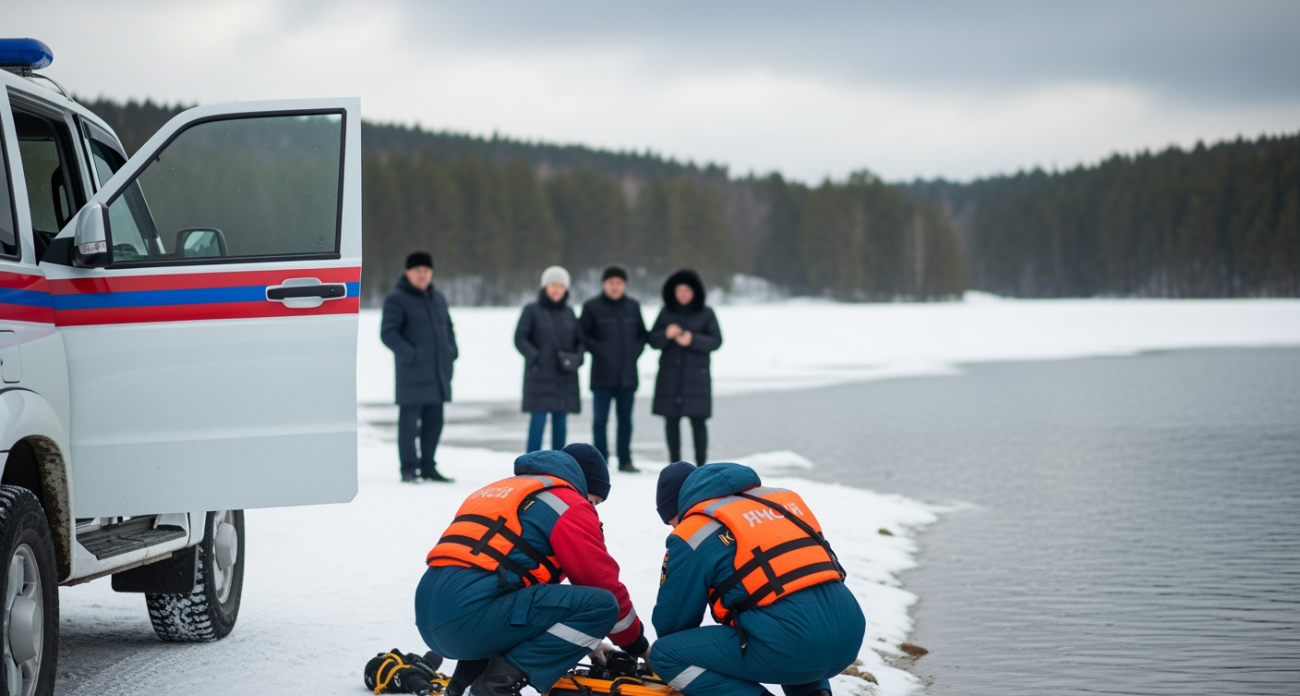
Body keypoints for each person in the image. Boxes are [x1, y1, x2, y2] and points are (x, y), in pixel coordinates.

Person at [416, 445, 650, 696]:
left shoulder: (505, 490)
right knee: (601, 604)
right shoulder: (567, 503)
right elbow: (601, 582)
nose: (593, 508)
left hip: (432, 617)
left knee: (500, 589)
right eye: (595, 501)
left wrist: (583, 640)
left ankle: (461, 687)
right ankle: (495, 688)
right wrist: (639, 647)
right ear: (583, 485)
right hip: (469, 621)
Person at [648, 461, 865, 696]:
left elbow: (672, 624)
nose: (674, 528)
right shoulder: (780, 502)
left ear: (682, 506)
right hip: (850, 634)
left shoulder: (693, 531)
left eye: (671, 522)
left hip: (793, 646)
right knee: (786, 623)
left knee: (665, 655)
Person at [381, 251, 458, 483]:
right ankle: (408, 468)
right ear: (408, 273)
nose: (422, 275)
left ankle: (428, 466)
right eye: (418, 271)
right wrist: (410, 354)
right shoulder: (396, 298)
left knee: (434, 424)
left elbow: (449, 327)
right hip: (412, 374)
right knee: (409, 426)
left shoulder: (438, 298)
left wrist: (451, 351)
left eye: (426, 270)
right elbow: (388, 333)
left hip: (438, 373)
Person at [579, 264, 649, 473]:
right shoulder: (592, 306)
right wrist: (601, 352)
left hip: (627, 376)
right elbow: (583, 335)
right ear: (604, 284)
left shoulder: (633, 306)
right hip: (601, 375)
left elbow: (642, 335)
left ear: (624, 285)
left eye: (619, 283)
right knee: (600, 421)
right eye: (611, 282)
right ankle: (601, 462)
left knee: (625, 421)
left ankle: (625, 460)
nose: (615, 286)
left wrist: (633, 354)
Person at [648, 269, 722, 465]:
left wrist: (693, 339)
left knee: (698, 422)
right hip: (669, 378)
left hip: (696, 379)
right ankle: (675, 464)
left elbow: (716, 341)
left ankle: (701, 465)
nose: (683, 294)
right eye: (679, 290)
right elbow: (652, 340)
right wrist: (666, 334)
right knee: (671, 422)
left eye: (687, 290)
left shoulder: (706, 313)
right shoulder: (666, 313)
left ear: (695, 292)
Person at [515, 266, 583, 452]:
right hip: (539, 376)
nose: (556, 289)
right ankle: (531, 462)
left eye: (560, 285)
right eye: (553, 284)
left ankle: (557, 463)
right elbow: (520, 338)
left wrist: (577, 359)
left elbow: (580, 341)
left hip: (564, 377)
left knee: (560, 422)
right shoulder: (532, 310)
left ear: (565, 289)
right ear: (545, 287)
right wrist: (535, 357)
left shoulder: (569, 313)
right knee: (538, 421)